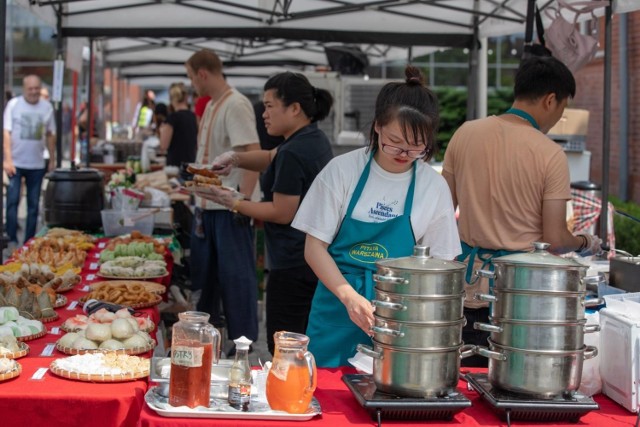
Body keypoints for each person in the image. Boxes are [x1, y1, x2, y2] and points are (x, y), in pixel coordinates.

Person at [291, 66, 461, 367]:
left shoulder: (432, 186)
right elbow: (313, 247)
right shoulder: (342, 171)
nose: (403, 153)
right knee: (325, 394)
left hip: (399, 314)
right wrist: (348, 296)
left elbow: (440, 265)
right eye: (394, 141)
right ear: (378, 126)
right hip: (336, 304)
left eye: (416, 146)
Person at [442, 55, 603, 367]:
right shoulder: (550, 155)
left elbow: (443, 215)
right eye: (562, 108)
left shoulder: (465, 133)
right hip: (519, 294)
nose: (559, 116)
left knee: (463, 382)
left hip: (466, 285)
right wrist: (583, 241)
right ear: (550, 99)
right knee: (512, 385)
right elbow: (555, 239)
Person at [201, 72, 334, 355]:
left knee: (285, 349)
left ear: (295, 108)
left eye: (270, 105)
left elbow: (282, 212)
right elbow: (270, 156)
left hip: (292, 262)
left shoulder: (293, 152)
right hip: (312, 259)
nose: (264, 114)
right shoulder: (311, 138)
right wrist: (235, 158)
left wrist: (231, 201)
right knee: (303, 345)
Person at [184, 49, 260, 346]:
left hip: (228, 209)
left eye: (191, 77)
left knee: (236, 280)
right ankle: (209, 344)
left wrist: (243, 202)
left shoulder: (235, 104)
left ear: (202, 73)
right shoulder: (215, 104)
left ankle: (243, 347)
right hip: (210, 207)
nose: (192, 84)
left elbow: (251, 153)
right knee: (208, 281)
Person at [3, 75, 56, 246]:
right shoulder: (14, 105)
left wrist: (52, 159)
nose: (33, 92)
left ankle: (28, 241)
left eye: (36, 88)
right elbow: (6, 133)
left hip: (37, 163)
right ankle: (11, 238)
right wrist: (7, 159)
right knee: (12, 202)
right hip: (16, 162)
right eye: (30, 88)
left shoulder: (46, 107)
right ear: (24, 89)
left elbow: (50, 135)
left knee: (33, 205)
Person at [159, 83, 197, 167]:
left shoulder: (172, 118)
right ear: (186, 97)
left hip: (175, 165)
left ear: (171, 98)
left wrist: (161, 131)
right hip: (191, 164)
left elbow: (163, 146)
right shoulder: (193, 116)